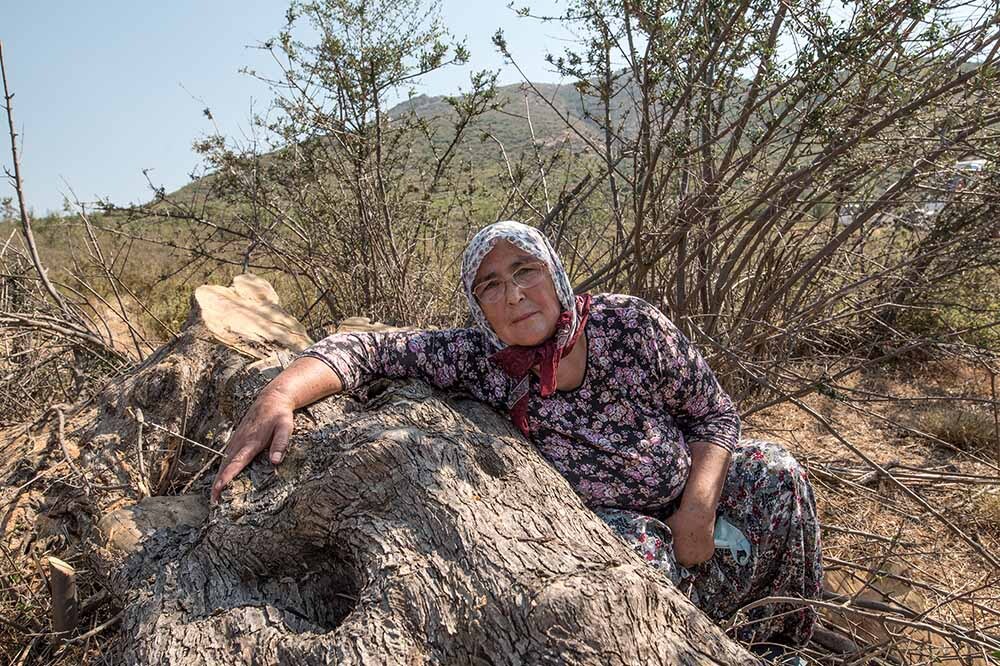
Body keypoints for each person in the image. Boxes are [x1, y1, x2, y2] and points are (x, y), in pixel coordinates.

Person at [211, 221, 823, 649]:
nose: (514, 294)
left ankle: (776, 634)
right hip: (613, 525)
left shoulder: (629, 325)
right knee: (625, 582)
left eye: (524, 270)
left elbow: (713, 416)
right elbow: (369, 348)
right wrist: (281, 393)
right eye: (491, 285)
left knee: (778, 472)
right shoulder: (479, 359)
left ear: (554, 273)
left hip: (689, 488)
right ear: (479, 307)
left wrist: (696, 504)